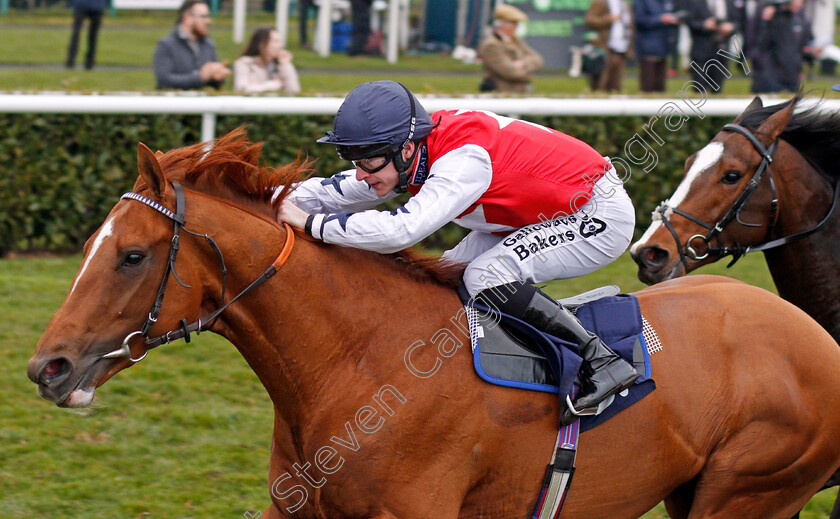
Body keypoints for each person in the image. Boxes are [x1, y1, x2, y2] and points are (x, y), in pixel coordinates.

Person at [275, 81, 639, 424]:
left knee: (485, 276)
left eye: (368, 162)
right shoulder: (413, 152)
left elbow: (402, 230)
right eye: (357, 161)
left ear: (404, 149)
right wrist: (269, 197)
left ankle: (601, 359)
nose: (360, 174)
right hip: (539, 212)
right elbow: (337, 191)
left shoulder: (463, 161)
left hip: (595, 213)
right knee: (444, 278)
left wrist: (311, 225)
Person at [153, 0, 230, 90]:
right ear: (187, 18)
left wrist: (217, 76)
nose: (208, 21)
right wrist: (199, 77)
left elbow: (215, 84)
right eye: (204, 16)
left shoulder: (208, 44)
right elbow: (164, 80)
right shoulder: (166, 44)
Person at [478, 5, 544, 93]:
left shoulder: (517, 40)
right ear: (499, 23)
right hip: (502, 92)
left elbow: (538, 59)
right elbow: (510, 72)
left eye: (516, 23)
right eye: (511, 22)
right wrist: (528, 73)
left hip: (521, 92)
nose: (515, 26)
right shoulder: (492, 45)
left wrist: (522, 63)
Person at [684, 0, 736, 92]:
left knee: (717, 87)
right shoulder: (695, 2)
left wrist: (731, 27)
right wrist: (704, 25)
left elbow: (739, 21)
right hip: (701, 51)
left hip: (721, 50)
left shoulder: (730, 2)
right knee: (699, 88)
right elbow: (689, 21)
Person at [234, 27, 301, 94]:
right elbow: (241, 89)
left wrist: (285, 64)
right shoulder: (245, 64)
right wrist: (273, 85)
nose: (280, 46)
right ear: (262, 44)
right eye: (275, 41)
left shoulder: (279, 66)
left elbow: (294, 90)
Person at [585, 0, 634, 92]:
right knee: (601, 81)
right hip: (605, 46)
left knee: (616, 82)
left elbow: (630, 26)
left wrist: (629, 45)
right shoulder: (600, 2)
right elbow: (589, 20)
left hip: (622, 47)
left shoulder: (625, 4)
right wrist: (608, 19)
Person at [634, 0, 680, 92]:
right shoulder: (642, 2)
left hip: (663, 46)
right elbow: (639, 20)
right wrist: (660, 19)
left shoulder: (666, 2)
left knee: (660, 86)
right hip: (648, 47)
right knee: (648, 84)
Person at [65, 0, 107, 70]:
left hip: (86, 5)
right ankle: (87, 62)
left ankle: (72, 61)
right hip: (94, 6)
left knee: (79, 33)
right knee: (90, 35)